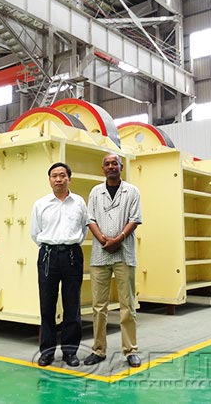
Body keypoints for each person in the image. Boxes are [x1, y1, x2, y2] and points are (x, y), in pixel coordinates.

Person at [84, 153, 143, 368]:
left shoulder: (132, 191)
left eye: (114, 163)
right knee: (99, 306)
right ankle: (98, 350)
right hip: (100, 255)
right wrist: (103, 240)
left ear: (121, 167)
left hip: (124, 254)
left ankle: (131, 350)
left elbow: (135, 219)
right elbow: (90, 218)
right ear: (103, 169)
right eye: (107, 164)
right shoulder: (95, 192)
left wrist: (118, 239)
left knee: (128, 304)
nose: (111, 167)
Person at [30, 162, 88, 367]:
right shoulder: (41, 204)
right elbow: (35, 233)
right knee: (47, 305)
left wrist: (69, 244)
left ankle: (70, 352)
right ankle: (47, 352)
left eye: (62, 175)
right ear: (49, 180)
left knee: (72, 305)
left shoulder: (79, 202)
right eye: (54, 176)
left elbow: (83, 229)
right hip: (48, 256)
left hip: (72, 255)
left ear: (69, 179)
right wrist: (51, 247)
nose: (58, 179)